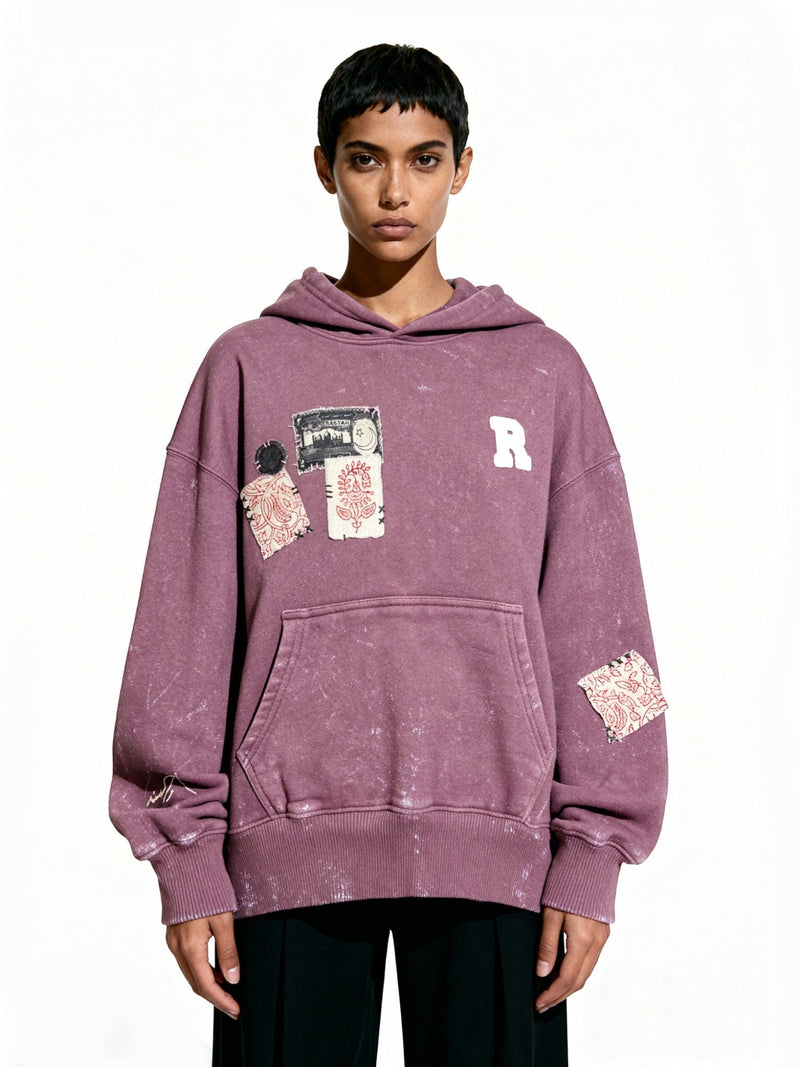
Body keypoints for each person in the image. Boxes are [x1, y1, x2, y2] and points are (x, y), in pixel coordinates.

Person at [109, 42, 669, 1066]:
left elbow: (604, 623)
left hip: (499, 851)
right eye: (366, 159)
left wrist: (595, 850)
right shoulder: (249, 366)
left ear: (463, 167)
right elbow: (182, 623)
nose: (395, 191)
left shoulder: (542, 372)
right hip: (286, 849)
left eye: (423, 159)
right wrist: (185, 858)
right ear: (325, 167)